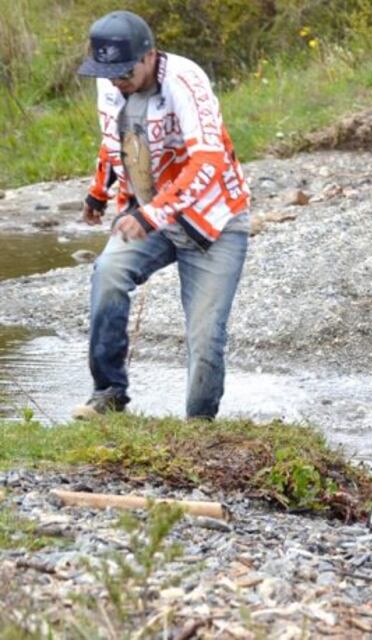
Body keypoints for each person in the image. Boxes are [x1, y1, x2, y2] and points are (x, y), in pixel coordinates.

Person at [71, 10, 250, 420]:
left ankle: (198, 428)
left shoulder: (186, 82)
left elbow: (210, 160)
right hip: (152, 213)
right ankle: (109, 392)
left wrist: (152, 214)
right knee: (108, 275)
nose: (116, 80)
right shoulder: (110, 82)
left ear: (149, 55)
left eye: (124, 70)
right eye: (107, 71)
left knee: (205, 339)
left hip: (215, 220)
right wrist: (99, 193)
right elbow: (114, 140)